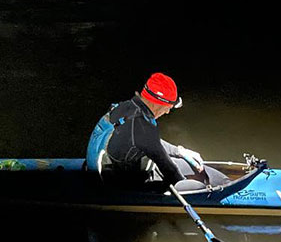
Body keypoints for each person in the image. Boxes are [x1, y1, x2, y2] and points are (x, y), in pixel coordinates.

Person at [85, 72, 226, 189]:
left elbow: (147, 143)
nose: (167, 112)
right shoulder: (143, 128)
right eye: (169, 107)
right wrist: (193, 189)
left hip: (108, 169)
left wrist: (179, 151)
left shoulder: (126, 107)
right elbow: (171, 171)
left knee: (182, 161)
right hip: (119, 184)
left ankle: (222, 181)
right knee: (192, 177)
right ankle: (227, 186)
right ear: (158, 104)